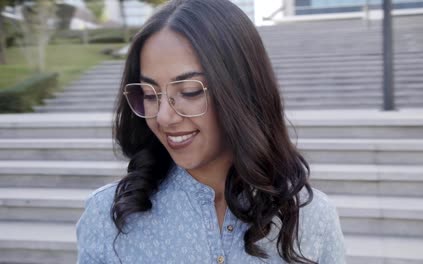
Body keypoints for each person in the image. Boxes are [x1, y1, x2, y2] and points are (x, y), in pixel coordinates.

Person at [76, 0, 346, 263]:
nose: (164, 117)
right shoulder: (107, 216)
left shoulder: (311, 217)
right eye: (149, 94)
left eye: (189, 91)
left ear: (240, 89)